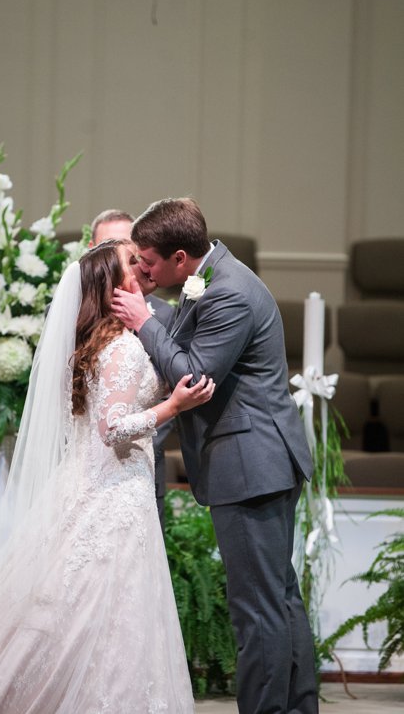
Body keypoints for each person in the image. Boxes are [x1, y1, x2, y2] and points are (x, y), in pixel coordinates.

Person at [0, 240, 215, 713]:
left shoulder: (100, 344)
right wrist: (171, 406)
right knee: (111, 615)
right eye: (131, 262)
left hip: (97, 485)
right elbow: (112, 429)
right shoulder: (124, 349)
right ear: (111, 288)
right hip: (113, 493)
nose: (142, 266)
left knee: (99, 614)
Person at [111, 197, 318, 714]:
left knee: (257, 611)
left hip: (251, 463)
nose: (142, 270)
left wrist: (142, 321)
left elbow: (193, 376)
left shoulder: (229, 293)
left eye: (148, 261)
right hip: (256, 460)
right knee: (278, 599)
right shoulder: (209, 275)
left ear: (181, 258)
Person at [88, 208, 175, 531]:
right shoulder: (74, 316)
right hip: (92, 464)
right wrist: (174, 405)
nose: (135, 262)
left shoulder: (166, 315)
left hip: (142, 458)